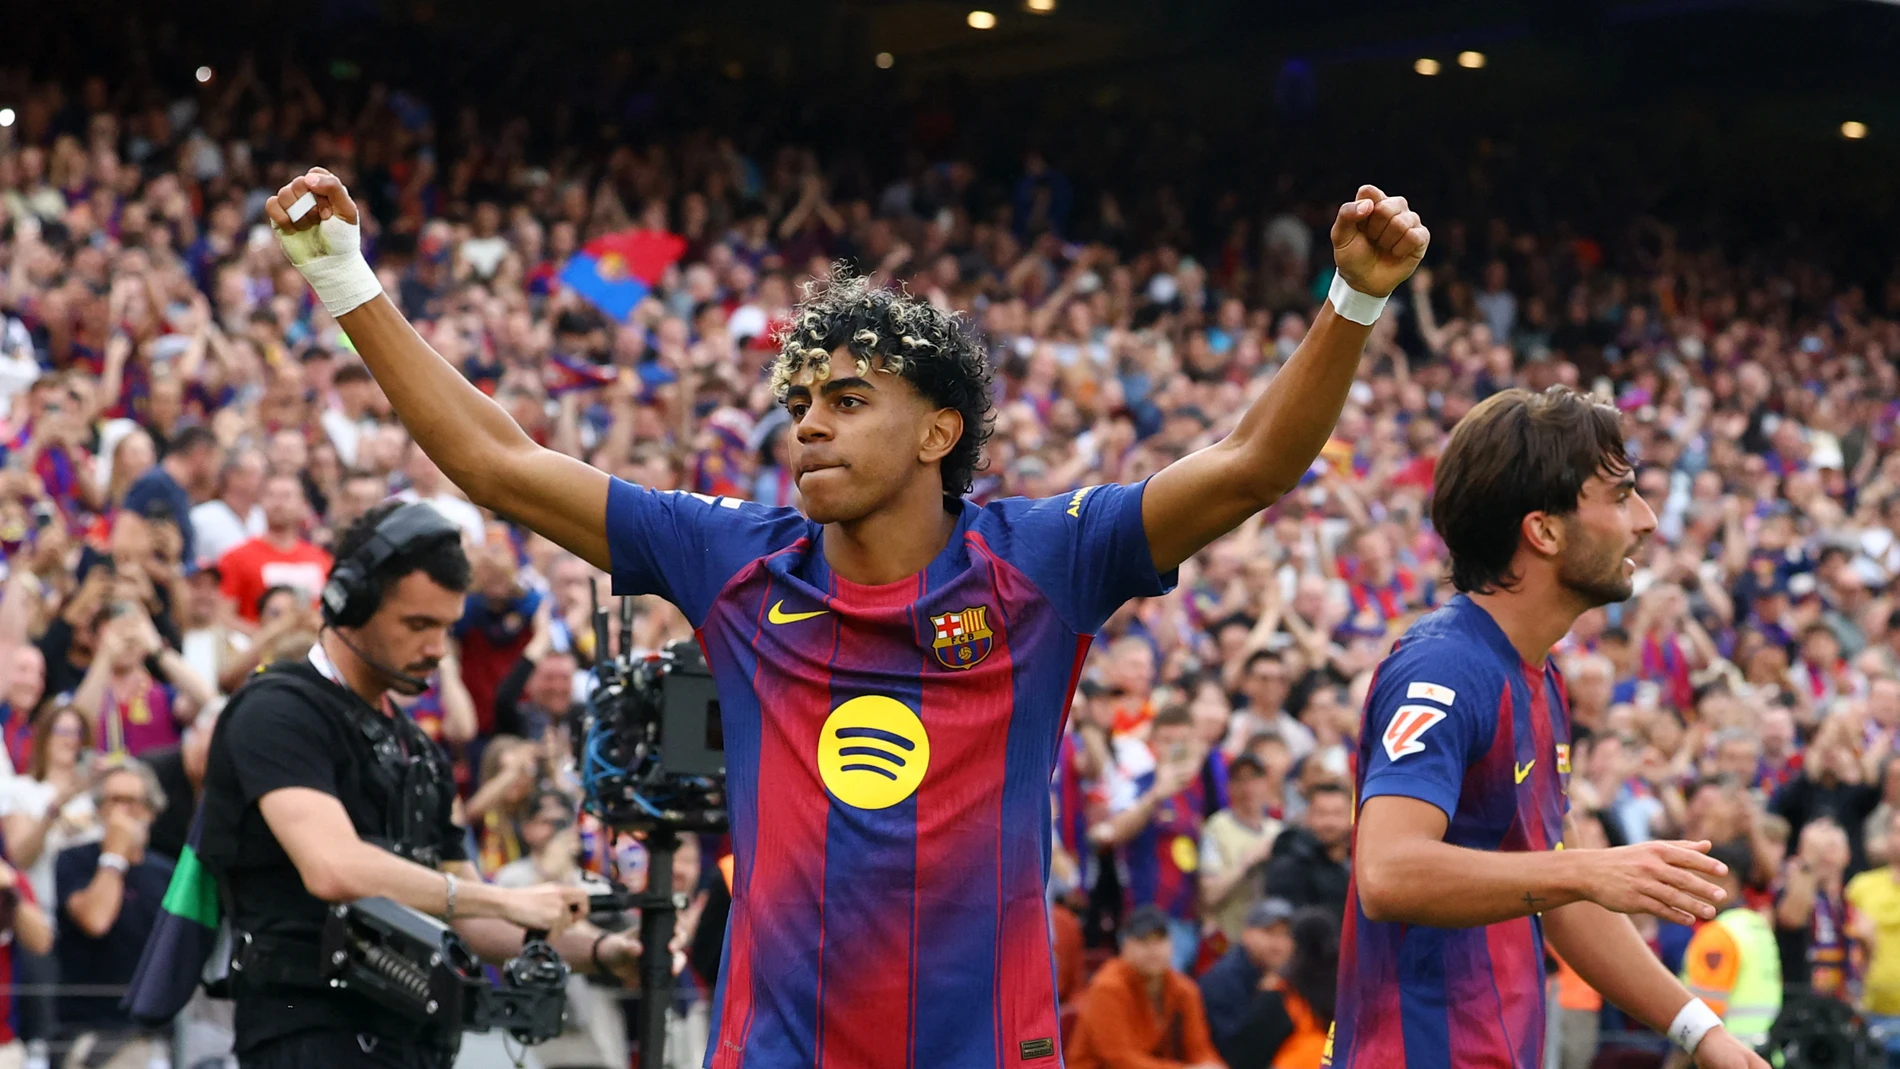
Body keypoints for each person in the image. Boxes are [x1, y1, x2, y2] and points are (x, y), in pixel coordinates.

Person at [268, 166, 1429, 1064]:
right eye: (803, 401)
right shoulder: (732, 559)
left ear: (938, 433)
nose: (809, 424)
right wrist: (340, 278)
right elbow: (497, 460)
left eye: (849, 398)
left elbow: (1250, 465)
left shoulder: (1047, 562)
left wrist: (1354, 296)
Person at [1337, 386, 1767, 1069]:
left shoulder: (1540, 677)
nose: (1649, 520)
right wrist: (1586, 867)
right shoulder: (1446, 666)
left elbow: (1567, 903)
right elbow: (1388, 870)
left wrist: (1702, 1031)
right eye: (1623, 497)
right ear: (1544, 530)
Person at [190, 501, 640, 1067]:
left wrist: (602, 950)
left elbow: (473, 919)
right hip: (307, 1038)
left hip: (415, 1042)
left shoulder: (419, 749)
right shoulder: (277, 711)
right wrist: (503, 897)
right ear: (348, 606)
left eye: (447, 628)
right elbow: (334, 867)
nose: (435, 648)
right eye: (417, 625)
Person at [54, 759, 175, 1069]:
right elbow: (96, 920)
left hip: (156, 1032)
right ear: (98, 809)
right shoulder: (74, 861)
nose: (122, 811)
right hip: (92, 1030)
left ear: (151, 810)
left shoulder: (167, 872)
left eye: (132, 801)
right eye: (113, 801)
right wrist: (114, 857)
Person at [1066, 905, 1226, 1069]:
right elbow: (1119, 1059)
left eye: (1160, 941)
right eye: (1144, 942)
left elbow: (1199, 1049)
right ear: (1125, 946)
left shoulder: (1185, 989)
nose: (1153, 950)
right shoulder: (1107, 987)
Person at [1676, 842, 1783, 1061]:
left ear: (1728, 881)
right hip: (1761, 1053)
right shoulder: (1757, 925)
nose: (1692, 887)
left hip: (1722, 1057)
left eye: (1701, 878)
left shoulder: (1718, 934)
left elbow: (1700, 1018)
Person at [1197, 898, 1295, 1065]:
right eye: (1269, 932)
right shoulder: (1222, 981)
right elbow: (1235, 1054)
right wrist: (1267, 1000)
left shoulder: (1289, 975)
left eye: (1285, 934)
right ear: (1247, 934)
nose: (1278, 943)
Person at [1262, 781, 1351, 919]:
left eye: (1337, 813)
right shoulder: (1289, 864)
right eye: (1321, 813)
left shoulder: (1358, 863)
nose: (1329, 822)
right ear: (1307, 816)